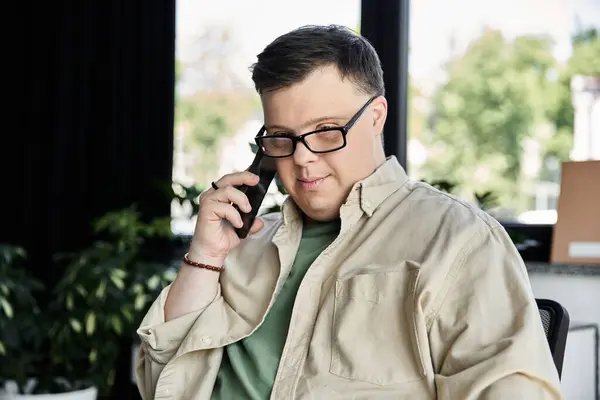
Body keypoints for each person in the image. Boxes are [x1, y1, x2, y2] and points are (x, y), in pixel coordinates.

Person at [135, 25, 562, 399]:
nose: (302, 159)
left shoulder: (457, 240)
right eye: (282, 137)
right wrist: (206, 258)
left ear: (376, 117)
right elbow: (161, 384)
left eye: (325, 131)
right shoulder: (244, 244)